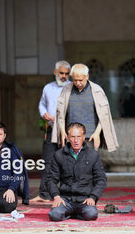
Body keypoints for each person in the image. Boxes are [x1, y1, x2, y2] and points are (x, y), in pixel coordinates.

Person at [47, 122, 107, 221]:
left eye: (79, 136)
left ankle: (74, 213)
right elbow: (51, 179)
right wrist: (56, 197)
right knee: (54, 215)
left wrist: (93, 197)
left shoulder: (93, 155)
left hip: (85, 200)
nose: (76, 140)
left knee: (91, 214)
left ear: (84, 137)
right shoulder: (58, 155)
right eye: (73, 137)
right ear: (67, 137)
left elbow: (101, 179)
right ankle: (72, 213)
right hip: (65, 199)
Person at [52, 63, 118, 152]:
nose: (78, 83)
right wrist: (63, 131)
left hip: (90, 138)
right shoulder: (66, 90)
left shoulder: (97, 90)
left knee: (88, 164)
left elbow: (104, 115)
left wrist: (97, 133)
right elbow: (60, 114)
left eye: (80, 80)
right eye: (75, 80)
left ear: (87, 76)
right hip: (70, 138)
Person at [31, 61, 71, 203]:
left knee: (67, 162)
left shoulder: (72, 88)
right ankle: (44, 194)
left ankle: (66, 194)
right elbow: (42, 104)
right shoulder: (47, 88)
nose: (64, 76)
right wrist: (44, 113)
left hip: (67, 132)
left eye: (67, 74)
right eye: (61, 73)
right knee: (47, 162)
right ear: (55, 72)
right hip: (51, 130)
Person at [0, 122, 30, 213]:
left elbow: (18, 173)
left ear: (4, 136)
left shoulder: (12, 150)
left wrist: (11, 189)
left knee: (7, 206)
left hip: (5, 190)